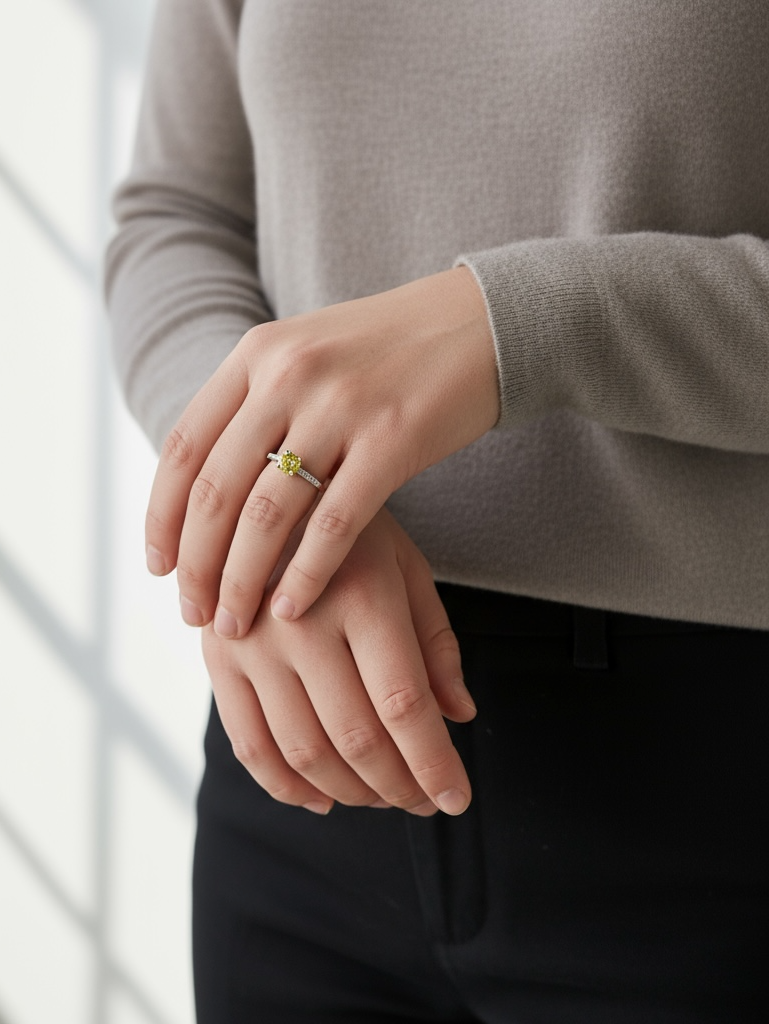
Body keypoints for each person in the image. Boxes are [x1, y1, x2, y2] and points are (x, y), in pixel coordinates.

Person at [104, 1, 769, 1020]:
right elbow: (178, 214)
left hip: (711, 794)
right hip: (299, 763)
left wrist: (505, 327)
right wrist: (268, 497)